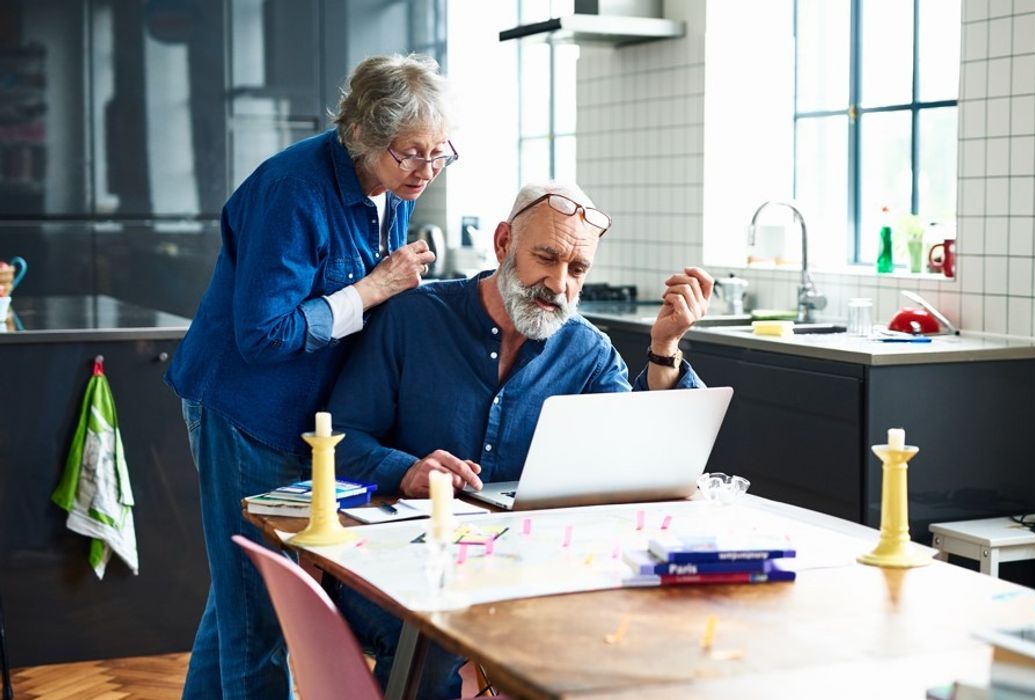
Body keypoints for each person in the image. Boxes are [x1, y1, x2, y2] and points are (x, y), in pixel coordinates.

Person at [326, 180, 714, 697]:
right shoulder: (412, 318)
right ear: (504, 242)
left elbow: (641, 452)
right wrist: (407, 470)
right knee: (434, 636)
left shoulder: (587, 352)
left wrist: (665, 346)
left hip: (525, 568)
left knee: (624, 628)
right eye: (546, 258)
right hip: (398, 563)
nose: (558, 284)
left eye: (577, 270)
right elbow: (341, 437)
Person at [165, 52, 455, 699]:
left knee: (243, 589)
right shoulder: (294, 190)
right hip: (246, 410)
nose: (427, 171)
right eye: (411, 154)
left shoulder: (391, 187)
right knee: (258, 613)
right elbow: (263, 333)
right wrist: (375, 288)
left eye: (439, 154)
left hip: (300, 417)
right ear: (364, 136)